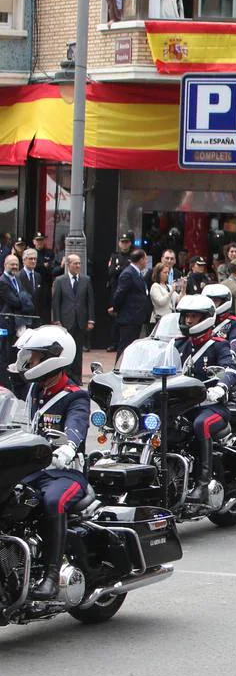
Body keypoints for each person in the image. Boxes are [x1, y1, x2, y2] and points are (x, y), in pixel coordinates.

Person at [10, 326, 91, 600]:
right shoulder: (34, 389)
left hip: (65, 473)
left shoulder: (74, 395)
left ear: (52, 359)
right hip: (33, 470)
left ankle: (51, 575)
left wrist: (67, 448)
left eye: (34, 357)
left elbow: (76, 427)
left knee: (52, 502)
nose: (29, 362)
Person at [174, 295, 236, 508]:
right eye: (186, 317)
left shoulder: (218, 346)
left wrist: (221, 387)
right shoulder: (178, 344)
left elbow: (231, 369)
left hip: (212, 407)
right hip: (182, 406)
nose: (189, 321)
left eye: (193, 317)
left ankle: (203, 483)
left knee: (200, 424)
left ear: (205, 318)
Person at [50, 254, 95, 382]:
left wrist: (91, 319)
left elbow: (90, 302)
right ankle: (65, 377)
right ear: (68, 265)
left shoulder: (86, 280)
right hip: (65, 321)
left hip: (80, 321)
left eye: (79, 263)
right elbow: (56, 302)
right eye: (75, 263)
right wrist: (57, 320)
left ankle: (77, 377)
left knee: (78, 350)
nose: (78, 266)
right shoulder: (60, 281)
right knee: (65, 350)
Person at [109, 248, 148, 355]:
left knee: (131, 347)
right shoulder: (128, 274)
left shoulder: (137, 273)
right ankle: (118, 369)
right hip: (129, 317)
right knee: (125, 347)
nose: (146, 261)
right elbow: (119, 294)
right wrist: (116, 308)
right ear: (140, 260)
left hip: (136, 317)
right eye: (145, 259)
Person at [203, 283, 236, 360]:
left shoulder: (234, 322)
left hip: (224, 363)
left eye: (215, 301)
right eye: (209, 300)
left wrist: (232, 352)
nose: (212, 304)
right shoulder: (200, 321)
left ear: (224, 301)